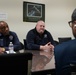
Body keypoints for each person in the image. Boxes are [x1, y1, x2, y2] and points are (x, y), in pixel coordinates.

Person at [54, 8, 76, 75]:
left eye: (43, 26)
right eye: (41, 26)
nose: (42, 27)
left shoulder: (59, 50)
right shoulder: (31, 33)